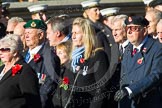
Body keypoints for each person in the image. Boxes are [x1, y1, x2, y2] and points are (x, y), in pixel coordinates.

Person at [114, 16, 162, 108]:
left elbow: (156, 75)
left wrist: (130, 90)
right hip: (128, 103)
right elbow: (123, 78)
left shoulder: (157, 48)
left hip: (147, 102)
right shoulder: (128, 49)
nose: (129, 32)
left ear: (144, 31)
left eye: (133, 28)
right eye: (127, 28)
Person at [63, 17, 109, 108]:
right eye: (72, 33)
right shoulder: (72, 59)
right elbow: (65, 86)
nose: (73, 36)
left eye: (77, 33)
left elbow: (102, 87)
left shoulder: (98, 55)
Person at [24, 19, 60, 108]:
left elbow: (49, 84)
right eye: (25, 33)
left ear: (40, 35)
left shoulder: (49, 56)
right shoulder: (22, 55)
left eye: (30, 33)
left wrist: (37, 104)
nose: (26, 36)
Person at [0, 34, 41, 108]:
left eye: (4, 50)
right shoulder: (1, 69)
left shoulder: (25, 71)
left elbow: (33, 102)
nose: (0, 52)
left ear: (15, 52)